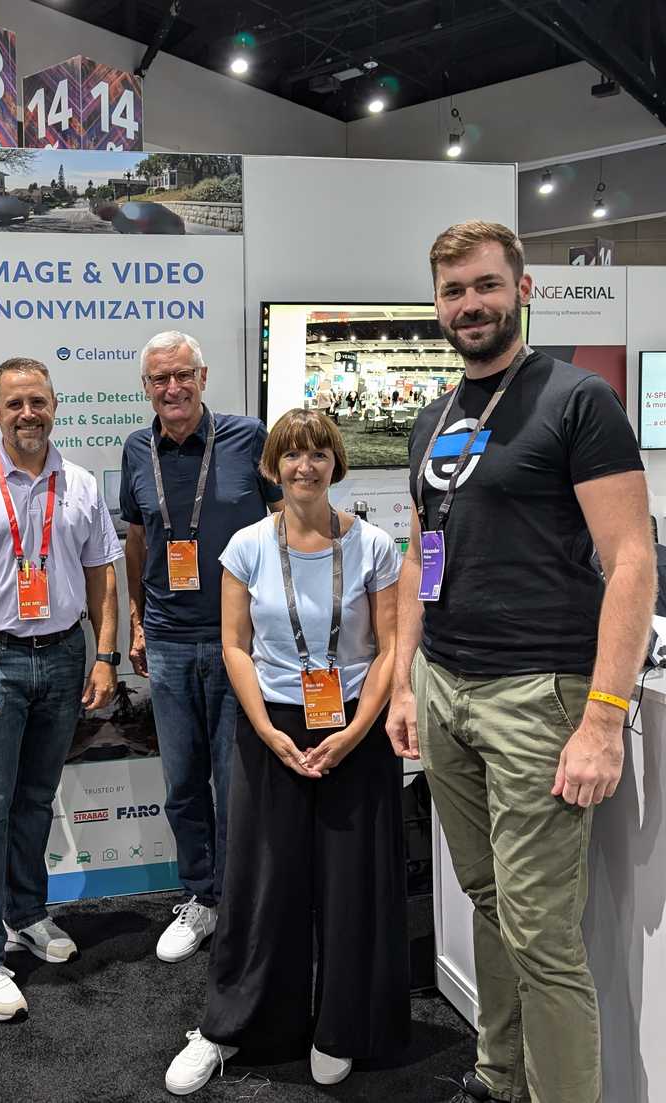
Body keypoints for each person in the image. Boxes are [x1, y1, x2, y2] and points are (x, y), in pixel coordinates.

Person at [386, 221, 655, 1103]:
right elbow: (425, 552)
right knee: (488, 901)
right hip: (446, 685)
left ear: (523, 289)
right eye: (454, 291)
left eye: (485, 286)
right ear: (437, 304)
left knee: (541, 932)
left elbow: (632, 563)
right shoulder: (434, 416)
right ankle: (499, 1073)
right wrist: (404, 680)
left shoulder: (577, 401)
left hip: (540, 694)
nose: (470, 305)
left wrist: (604, 718)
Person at [164, 408, 409, 1095]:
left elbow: (391, 648)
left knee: (350, 883)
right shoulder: (244, 545)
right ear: (273, 465)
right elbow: (235, 645)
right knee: (260, 883)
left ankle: (340, 1027)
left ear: (337, 462)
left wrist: (357, 731)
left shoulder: (372, 548)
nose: (306, 466)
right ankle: (232, 1026)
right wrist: (268, 731)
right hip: (269, 724)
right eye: (292, 456)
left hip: (354, 731)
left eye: (319, 454)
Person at [0, 357, 122, 1021]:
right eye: (15, 403)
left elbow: (102, 575)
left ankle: (26, 912)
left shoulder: (82, 484)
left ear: (54, 405)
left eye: (38, 401)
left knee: (36, 798)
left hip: (64, 658)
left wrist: (103, 657)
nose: (28, 413)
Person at [120, 331, 282, 964]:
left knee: (235, 780)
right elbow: (136, 543)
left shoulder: (248, 437)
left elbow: (285, 523)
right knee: (183, 781)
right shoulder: (138, 449)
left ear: (203, 376)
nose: (172, 389)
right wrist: (135, 621)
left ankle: (242, 900)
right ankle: (202, 897)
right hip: (165, 639)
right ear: (147, 388)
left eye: (182, 375)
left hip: (239, 641)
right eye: (159, 379)